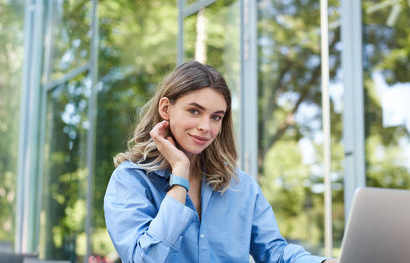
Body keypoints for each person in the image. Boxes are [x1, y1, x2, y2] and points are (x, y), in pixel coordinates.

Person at [104, 61, 337, 263]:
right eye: (194, 111)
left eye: (216, 117)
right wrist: (179, 176)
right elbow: (143, 259)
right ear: (166, 108)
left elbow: (275, 253)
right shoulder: (130, 181)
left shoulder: (240, 187)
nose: (206, 126)